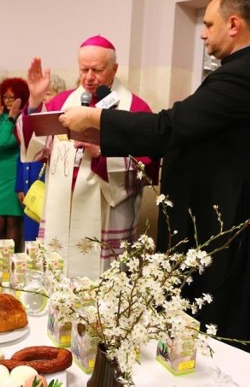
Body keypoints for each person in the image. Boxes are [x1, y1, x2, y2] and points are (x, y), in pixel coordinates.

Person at [60, 0, 250, 357]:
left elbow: (171, 127)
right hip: (217, 208)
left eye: (208, 24)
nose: (202, 32)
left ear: (233, 24)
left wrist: (94, 117)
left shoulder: (243, 76)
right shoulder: (242, 71)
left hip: (223, 217)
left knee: (214, 318)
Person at [18, 35, 158, 280]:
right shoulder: (63, 101)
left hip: (106, 218)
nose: (89, 77)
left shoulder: (135, 107)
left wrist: (103, 152)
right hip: (61, 211)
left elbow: (146, 168)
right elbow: (34, 148)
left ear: (114, 68)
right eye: (83, 69)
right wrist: (35, 102)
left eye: (97, 70)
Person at [15, 74, 66, 242]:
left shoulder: (60, 123)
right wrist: (20, 186)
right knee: (30, 236)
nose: (43, 98)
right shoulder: (33, 119)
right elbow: (22, 156)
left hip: (48, 188)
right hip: (30, 187)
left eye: (48, 93)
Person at [0, 78, 27, 248]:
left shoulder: (22, 119)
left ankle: (10, 263)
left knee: (12, 224)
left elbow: (2, 143)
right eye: (5, 97)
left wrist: (12, 118)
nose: (8, 101)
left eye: (12, 97)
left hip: (14, 176)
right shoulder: (3, 117)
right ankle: (1, 258)